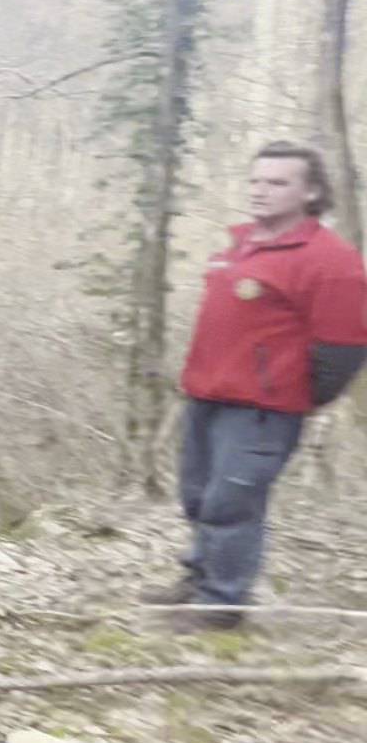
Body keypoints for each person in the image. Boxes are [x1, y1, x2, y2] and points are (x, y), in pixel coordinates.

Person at [142, 141, 367, 631]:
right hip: (207, 395)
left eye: (278, 182)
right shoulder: (241, 246)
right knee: (199, 495)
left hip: (264, 410)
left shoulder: (331, 260)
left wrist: (295, 394)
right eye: (257, 181)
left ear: (310, 192)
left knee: (232, 502)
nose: (261, 191)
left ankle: (221, 605)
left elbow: (345, 346)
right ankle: (199, 576)